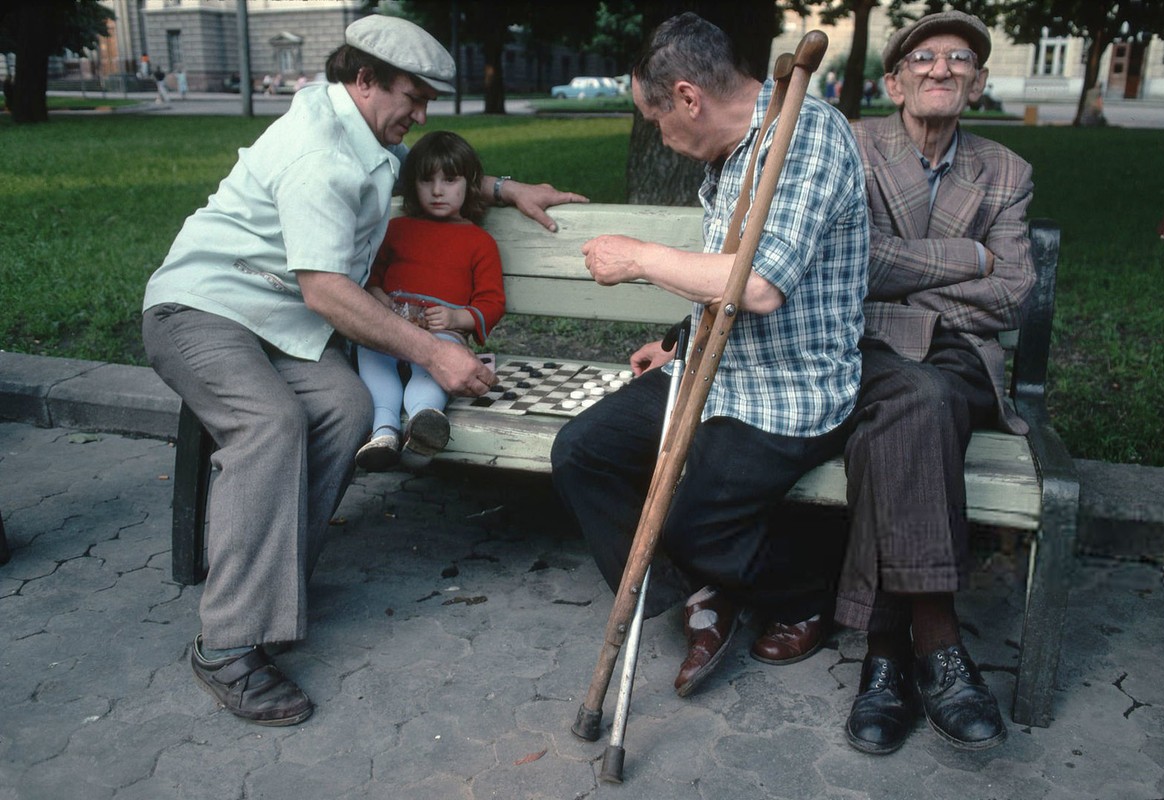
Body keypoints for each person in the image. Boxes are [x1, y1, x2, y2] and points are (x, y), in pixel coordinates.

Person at [141, 14, 585, 727]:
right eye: (412, 97)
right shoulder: (320, 153)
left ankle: (271, 584)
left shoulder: (359, 125)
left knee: (346, 409)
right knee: (271, 422)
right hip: (202, 310)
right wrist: (437, 351)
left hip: (279, 324)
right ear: (364, 79)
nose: (420, 114)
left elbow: (419, 178)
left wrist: (501, 187)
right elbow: (326, 291)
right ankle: (224, 645)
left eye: (427, 102)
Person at [551, 12, 869, 698]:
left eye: (657, 120)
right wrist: (676, 341)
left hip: (789, 388)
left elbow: (757, 284)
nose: (661, 139)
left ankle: (805, 594)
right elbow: (717, 270)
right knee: (582, 452)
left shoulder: (802, 133)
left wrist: (636, 257)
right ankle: (699, 596)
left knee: (690, 522)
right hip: (711, 369)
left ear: (689, 97)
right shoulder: (730, 153)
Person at [839, 10, 1037, 755]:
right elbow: (852, 263)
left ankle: (885, 655)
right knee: (911, 406)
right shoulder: (852, 145)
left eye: (959, 59)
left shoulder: (1006, 170)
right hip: (865, 348)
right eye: (922, 58)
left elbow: (1015, 292)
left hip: (959, 357)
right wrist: (970, 259)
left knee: (915, 406)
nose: (941, 69)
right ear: (893, 81)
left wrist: (906, 272)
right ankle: (933, 641)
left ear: (978, 83)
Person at [355, 130, 505, 472]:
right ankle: (384, 430)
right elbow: (372, 278)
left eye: (450, 180)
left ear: (469, 184)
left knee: (434, 367)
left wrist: (456, 319)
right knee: (370, 351)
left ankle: (424, 421)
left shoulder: (479, 242)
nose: (438, 191)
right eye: (426, 180)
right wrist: (380, 301)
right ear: (412, 185)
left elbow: (491, 302)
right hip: (391, 325)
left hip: (442, 333)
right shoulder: (397, 229)